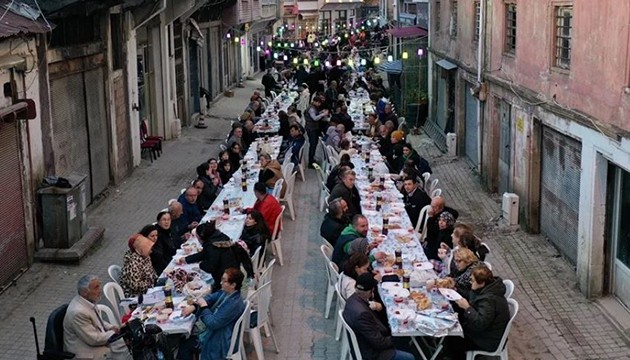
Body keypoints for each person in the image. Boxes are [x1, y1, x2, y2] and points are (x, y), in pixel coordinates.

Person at [179, 268, 247, 360]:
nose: (220, 283)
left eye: (224, 281)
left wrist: (204, 307)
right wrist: (194, 306)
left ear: (233, 285)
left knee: (184, 345)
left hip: (218, 340)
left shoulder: (233, 304)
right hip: (219, 331)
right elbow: (210, 297)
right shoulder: (227, 293)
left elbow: (212, 323)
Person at [343, 274, 415, 360]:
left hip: (365, 342)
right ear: (371, 291)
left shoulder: (352, 300)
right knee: (410, 357)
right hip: (372, 353)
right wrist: (396, 337)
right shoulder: (362, 314)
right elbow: (380, 342)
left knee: (404, 340)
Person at [448, 265, 510, 360]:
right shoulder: (488, 288)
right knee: (453, 325)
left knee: (452, 340)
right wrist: (456, 289)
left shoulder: (489, 300)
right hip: (483, 332)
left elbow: (480, 323)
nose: (470, 282)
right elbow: (471, 295)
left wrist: (467, 308)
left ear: (481, 283)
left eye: (472, 281)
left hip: (486, 339)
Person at [63, 275, 130, 360]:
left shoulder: (88, 301)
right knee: (123, 350)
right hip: (85, 352)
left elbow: (98, 321)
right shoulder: (78, 312)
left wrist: (111, 327)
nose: (100, 290)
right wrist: (113, 332)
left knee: (126, 343)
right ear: (84, 292)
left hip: (93, 341)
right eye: (96, 288)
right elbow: (94, 339)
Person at [177, 222, 253, 290]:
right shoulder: (219, 237)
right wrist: (186, 259)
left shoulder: (211, 246)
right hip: (234, 272)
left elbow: (210, 267)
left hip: (226, 283)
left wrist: (200, 264)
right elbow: (204, 253)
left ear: (202, 237)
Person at [304, 97, 330, 166]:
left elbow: (316, 114)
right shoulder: (311, 108)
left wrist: (321, 112)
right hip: (311, 128)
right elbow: (314, 118)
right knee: (312, 144)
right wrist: (323, 114)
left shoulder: (314, 108)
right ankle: (310, 161)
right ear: (315, 101)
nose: (319, 104)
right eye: (318, 103)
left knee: (315, 143)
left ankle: (312, 158)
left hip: (314, 128)